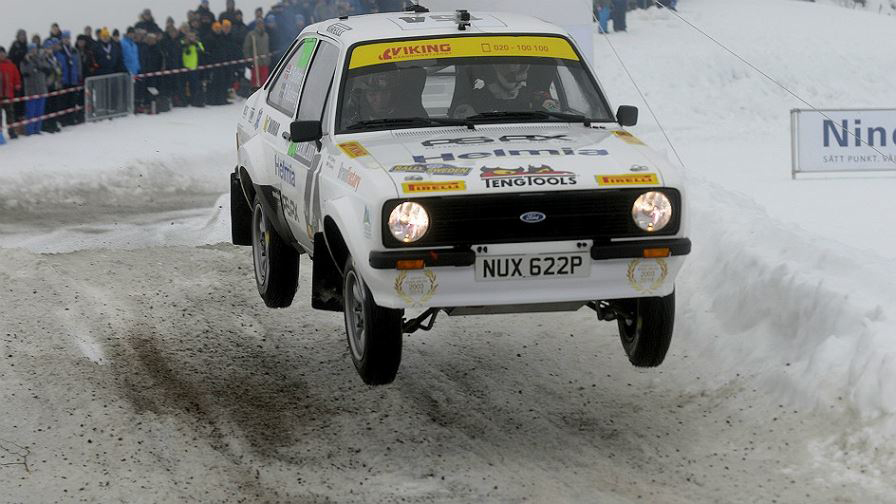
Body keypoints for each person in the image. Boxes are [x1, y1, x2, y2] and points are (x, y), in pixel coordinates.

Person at [19, 43, 52, 135]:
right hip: (31, 90)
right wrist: (29, 61)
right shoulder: (24, 61)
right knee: (31, 112)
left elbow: (47, 68)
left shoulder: (40, 58)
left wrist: (40, 63)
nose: (33, 51)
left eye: (34, 49)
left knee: (39, 111)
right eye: (31, 49)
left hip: (41, 88)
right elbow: (25, 72)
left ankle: (37, 129)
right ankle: (30, 131)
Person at [55, 31, 82, 125]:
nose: (66, 40)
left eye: (68, 38)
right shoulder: (59, 51)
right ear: (62, 39)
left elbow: (78, 63)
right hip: (64, 80)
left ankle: (71, 118)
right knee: (63, 101)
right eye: (65, 38)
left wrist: (79, 74)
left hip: (73, 79)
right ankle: (63, 120)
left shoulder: (74, 50)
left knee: (72, 100)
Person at [0, 46, 23, 139]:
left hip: (8, 94)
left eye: (3, 53)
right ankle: (0, 134)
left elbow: (16, 76)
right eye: (0, 54)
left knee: (10, 114)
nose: (2, 55)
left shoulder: (11, 65)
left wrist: (17, 85)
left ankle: (12, 132)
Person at [161, 25, 186, 107]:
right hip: (168, 66)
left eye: (174, 32)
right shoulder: (165, 41)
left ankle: (177, 99)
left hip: (178, 65)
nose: (173, 34)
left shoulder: (179, 41)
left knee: (178, 84)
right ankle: (170, 99)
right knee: (169, 84)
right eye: (171, 32)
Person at [242, 20, 270, 89]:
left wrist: (268, 59)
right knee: (255, 80)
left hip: (264, 62)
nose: (261, 25)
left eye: (262, 24)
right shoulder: (251, 35)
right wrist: (249, 59)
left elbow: (267, 48)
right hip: (255, 62)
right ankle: (254, 92)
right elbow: (246, 48)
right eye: (259, 24)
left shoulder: (266, 35)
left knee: (264, 80)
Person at [181, 31, 205, 107]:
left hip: (194, 67)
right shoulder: (182, 43)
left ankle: (194, 100)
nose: (191, 38)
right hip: (184, 67)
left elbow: (202, 51)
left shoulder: (198, 43)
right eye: (189, 36)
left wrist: (195, 44)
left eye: (192, 36)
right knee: (184, 85)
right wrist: (186, 44)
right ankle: (185, 100)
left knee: (194, 85)